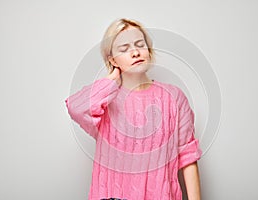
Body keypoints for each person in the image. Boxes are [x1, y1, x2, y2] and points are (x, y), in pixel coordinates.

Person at [65, 18, 202, 200]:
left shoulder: (174, 97)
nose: (135, 52)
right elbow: (75, 107)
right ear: (113, 59)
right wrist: (111, 81)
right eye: (124, 49)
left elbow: (187, 156)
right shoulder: (105, 102)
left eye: (140, 45)